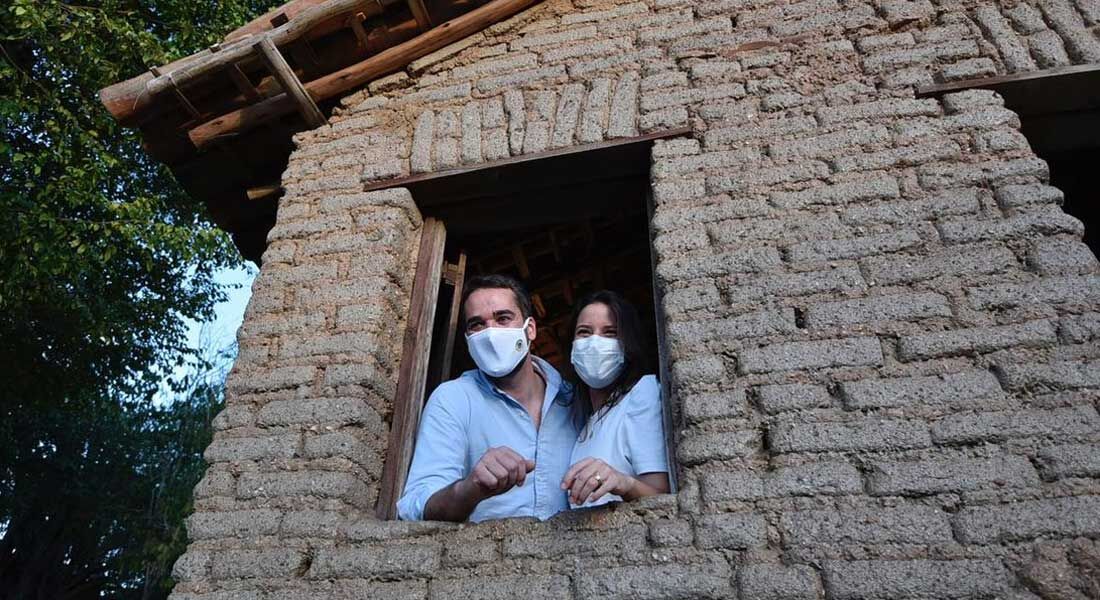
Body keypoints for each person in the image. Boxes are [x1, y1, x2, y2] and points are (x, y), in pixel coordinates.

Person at [397, 274, 578, 522]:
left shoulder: (575, 399)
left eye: (503, 318)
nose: (491, 333)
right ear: (468, 340)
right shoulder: (452, 399)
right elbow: (415, 507)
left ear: (530, 329)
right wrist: (472, 488)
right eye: (477, 325)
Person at [560, 290, 670, 508]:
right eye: (584, 332)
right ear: (572, 346)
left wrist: (623, 482)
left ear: (627, 345)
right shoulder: (587, 422)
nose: (594, 343)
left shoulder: (642, 393)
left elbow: (661, 494)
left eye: (610, 333)